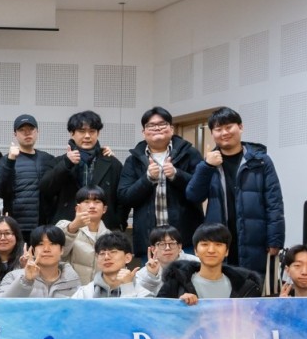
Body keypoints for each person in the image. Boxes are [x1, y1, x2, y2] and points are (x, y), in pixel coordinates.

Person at [184, 106, 284, 277]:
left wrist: (275, 239)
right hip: (219, 239)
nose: (224, 133)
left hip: (254, 237)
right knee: (221, 285)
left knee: (252, 285)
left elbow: (274, 202)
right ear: (212, 133)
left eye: (229, 127)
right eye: (218, 129)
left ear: (240, 127)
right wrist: (206, 166)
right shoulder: (208, 164)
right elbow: (193, 196)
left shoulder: (261, 161)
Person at [117, 106, 204, 257]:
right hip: (150, 243)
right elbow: (124, 197)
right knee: (151, 274)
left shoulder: (190, 153)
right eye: (151, 125)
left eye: (162, 124)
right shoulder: (133, 160)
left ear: (171, 129)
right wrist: (147, 179)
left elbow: (201, 191)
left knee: (186, 273)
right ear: (144, 132)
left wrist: (177, 175)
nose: (157, 128)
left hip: (185, 240)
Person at [40, 110, 124, 230]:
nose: (87, 136)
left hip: (103, 228)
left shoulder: (112, 163)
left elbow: (122, 199)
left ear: (98, 133)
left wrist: (119, 222)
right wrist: (66, 164)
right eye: (81, 131)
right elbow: (45, 189)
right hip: (68, 227)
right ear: (72, 133)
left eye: (92, 131)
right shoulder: (59, 162)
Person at [0, 114, 55, 240]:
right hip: (15, 227)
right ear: (15, 134)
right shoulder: (6, 160)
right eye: (22, 130)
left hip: (44, 226)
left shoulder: (48, 159)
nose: (27, 133)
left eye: (31, 129)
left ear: (37, 132)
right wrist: (11, 160)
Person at [57, 186, 113, 285]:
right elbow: (59, 253)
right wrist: (73, 227)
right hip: (71, 289)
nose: (92, 206)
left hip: (99, 290)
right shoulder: (64, 226)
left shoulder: (111, 236)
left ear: (104, 209)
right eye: (86, 202)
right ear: (77, 208)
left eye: (97, 202)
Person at [134, 225, 199, 296]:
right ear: (153, 249)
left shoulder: (195, 263)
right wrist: (152, 276)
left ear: (179, 247)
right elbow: (144, 299)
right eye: (162, 244)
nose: (167, 248)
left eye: (172, 243)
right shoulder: (143, 274)